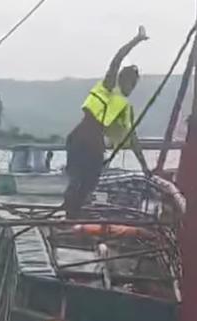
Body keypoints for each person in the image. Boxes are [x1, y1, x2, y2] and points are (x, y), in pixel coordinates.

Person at [63, 26, 153, 218]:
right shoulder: (109, 86)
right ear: (123, 79)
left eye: (135, 84)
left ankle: (76, 216)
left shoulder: (125, 108)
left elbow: (133, 138)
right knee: (76, 181)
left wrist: (145, 167)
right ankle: (69, 216)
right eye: (131, 82)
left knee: (88, 186)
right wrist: (136, 40)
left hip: (95, 148)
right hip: (80, 140)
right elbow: (117, 59)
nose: (132, 87)